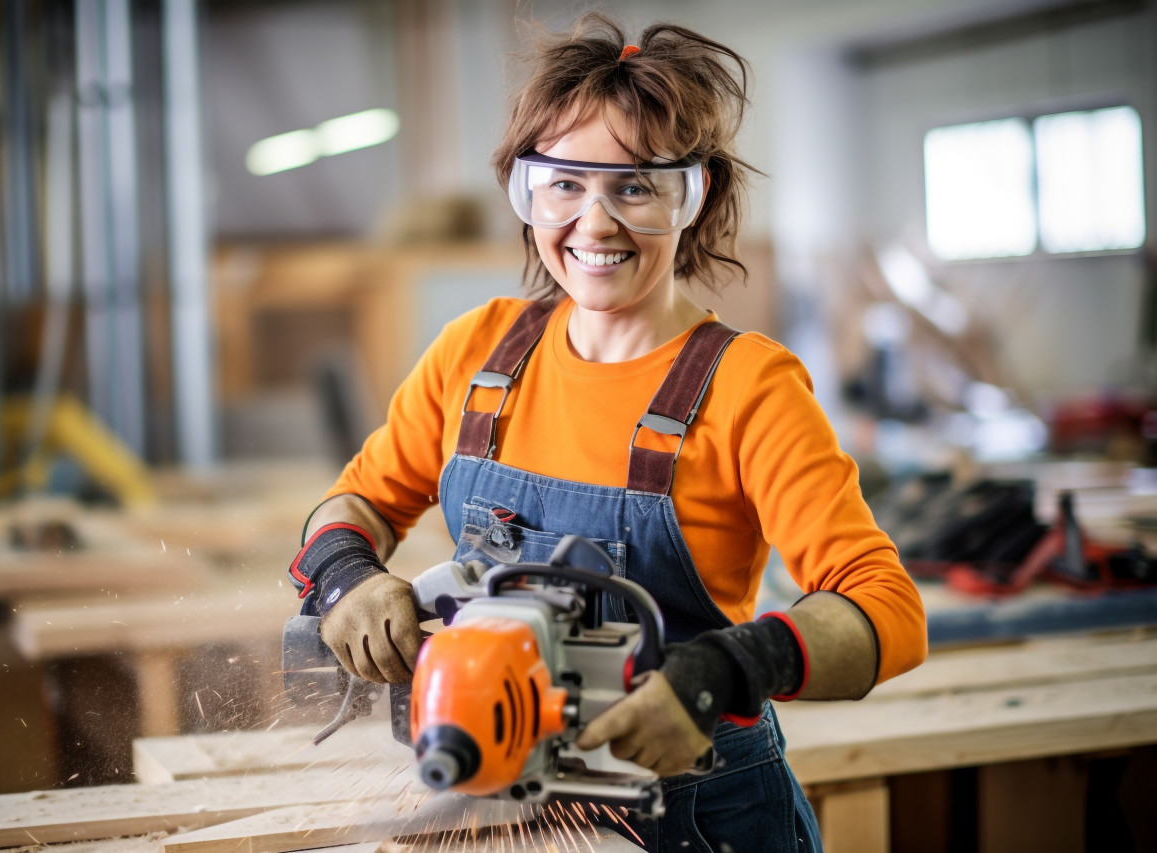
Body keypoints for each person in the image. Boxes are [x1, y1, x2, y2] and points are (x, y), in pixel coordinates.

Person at [288, 12, 927, 852]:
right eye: (561, 184)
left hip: (703, 815)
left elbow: (886, 608)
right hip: (504, 799)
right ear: (524, 191)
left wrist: (724, 671)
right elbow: (355, 503)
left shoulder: (749, 387)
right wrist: (345, 577)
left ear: (692, 200)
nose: (593, 224)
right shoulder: (475, 354)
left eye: (633, 186)